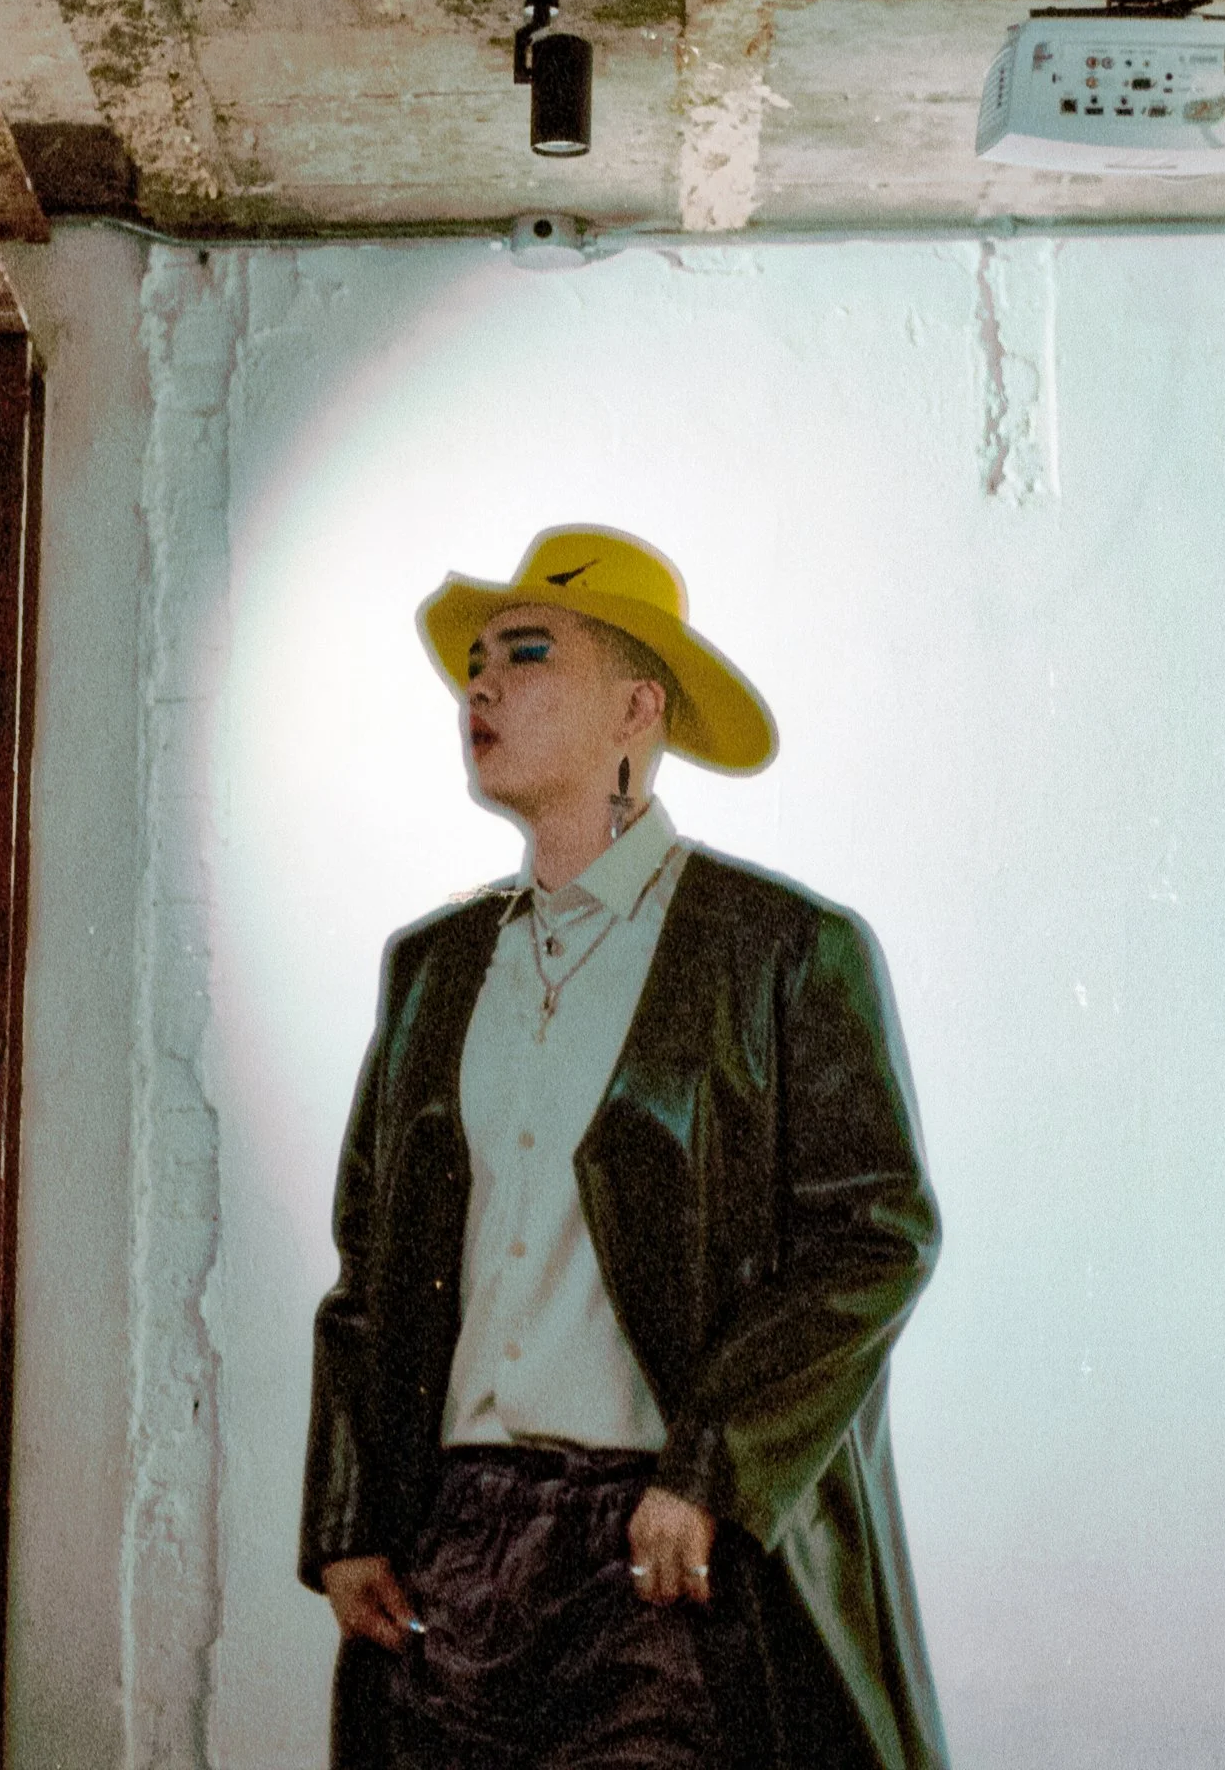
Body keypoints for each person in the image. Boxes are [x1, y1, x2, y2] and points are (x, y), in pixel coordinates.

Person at [300, 526, 946, 1770]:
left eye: (526, 654)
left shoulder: (779, 949)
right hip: (453, 1549)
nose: (480, 686)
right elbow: (368, 1268)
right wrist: (350, 1517)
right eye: (474, 663)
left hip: (659, 1551)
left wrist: (710, 1471)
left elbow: (874, 1239)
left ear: (637, 707)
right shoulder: (434, 967)